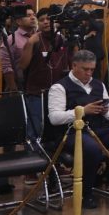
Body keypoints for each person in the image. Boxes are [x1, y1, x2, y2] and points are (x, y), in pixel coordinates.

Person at [47, 50, 109, 208]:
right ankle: (86, 194)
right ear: (74, 66)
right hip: (71, 133)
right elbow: (54, 118)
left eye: (92, 70)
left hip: (97, 130)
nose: (89, 73)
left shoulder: (98, 84)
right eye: (85, 69)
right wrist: (82, 111)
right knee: (92, 148)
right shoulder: (59, 87)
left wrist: (107, 112)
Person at [16, 8, 69, 142]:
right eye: (42, 20)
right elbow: (22, 66)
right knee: (35, 130)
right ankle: (33, 159)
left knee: (55, 130)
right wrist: (29, 44)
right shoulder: (34, 40)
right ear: (38, 23)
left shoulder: (61, 39)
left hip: (58, 93)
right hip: (36, 93)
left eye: (49, 19)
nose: (46, 22)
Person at [0, 7, 36, 91]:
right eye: (28, 15)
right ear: (19, 21)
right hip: (19, 85)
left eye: (34, 15)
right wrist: (13, 88)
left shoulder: (39, 36)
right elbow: (6, 67)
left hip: (37, 84)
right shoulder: (11, 39)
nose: (33, 18)